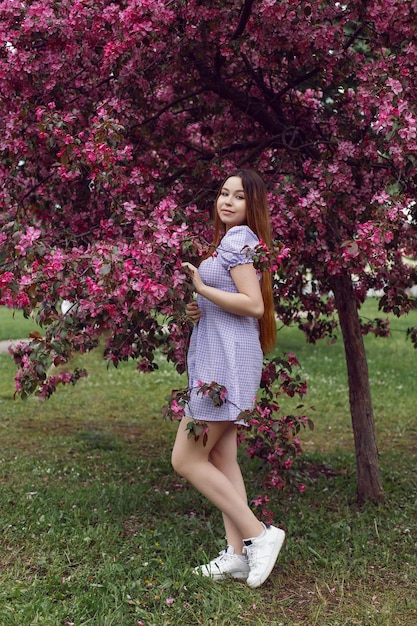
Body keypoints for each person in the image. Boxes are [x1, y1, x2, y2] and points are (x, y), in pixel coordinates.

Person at [171, 169, 285, 588]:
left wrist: (201, 284)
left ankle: (259, 535)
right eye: (223, 193)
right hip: (222, 360)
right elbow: (233, 302)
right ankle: (237, 556)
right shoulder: (232, 244)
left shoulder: (238, 240)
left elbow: (253, 305)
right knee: (222, 458)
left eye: (238, 196)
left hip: (223, 369)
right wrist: (199, 304)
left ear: (251, 206)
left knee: (184, 459)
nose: (228, 201)